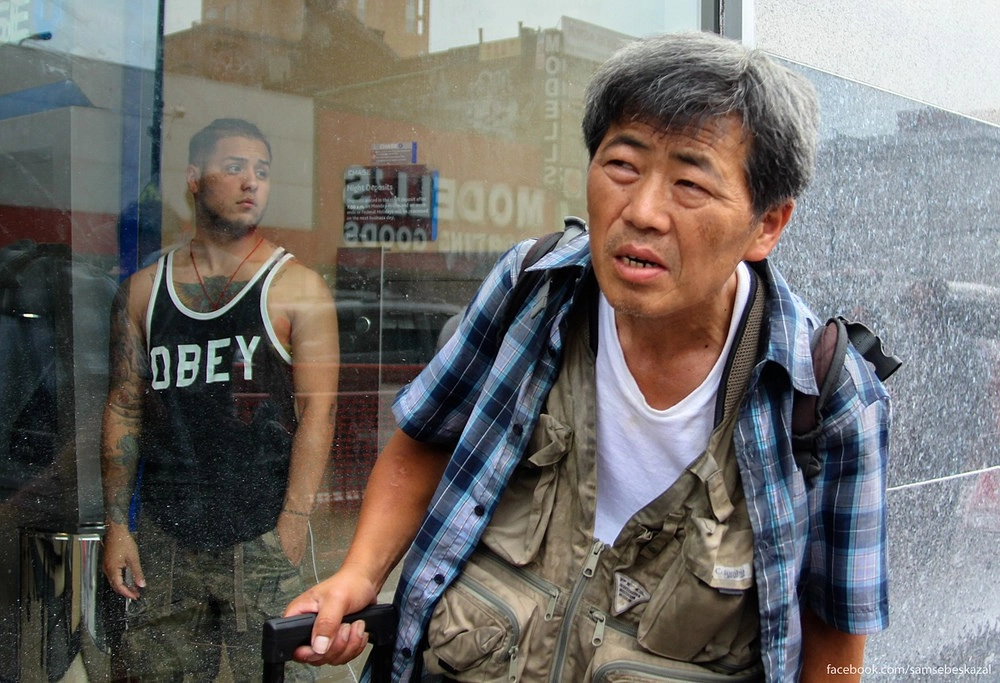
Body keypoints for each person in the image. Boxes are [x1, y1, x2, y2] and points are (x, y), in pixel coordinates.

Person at [286, 32, 890, 682]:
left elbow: (835, 636)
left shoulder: (823, 393)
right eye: (622, 165)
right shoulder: (533, 288)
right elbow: (426, 440)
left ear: (767, 225)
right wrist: (359, 573)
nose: (642, 211)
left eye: (690, 184)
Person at [100, 117, 339, 681]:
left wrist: (292, 525)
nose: (251, 182)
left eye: (262, 171)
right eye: (234, 167)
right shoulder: (143, 291)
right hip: (166, 536)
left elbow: (318, 413)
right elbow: (124, 406)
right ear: (194, 178)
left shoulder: (295, 287)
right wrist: (118, 526)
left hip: (260, 533)